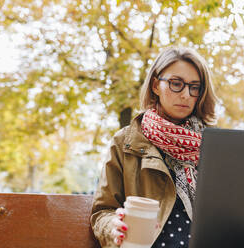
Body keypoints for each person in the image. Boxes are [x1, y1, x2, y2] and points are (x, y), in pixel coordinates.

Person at [91, 46, 218, 247]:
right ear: (156, 86)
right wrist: (112, 227)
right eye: (176, 84)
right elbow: (103, 211)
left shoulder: (215, 145)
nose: (186, 94)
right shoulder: (125, 142)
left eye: (194, 87)